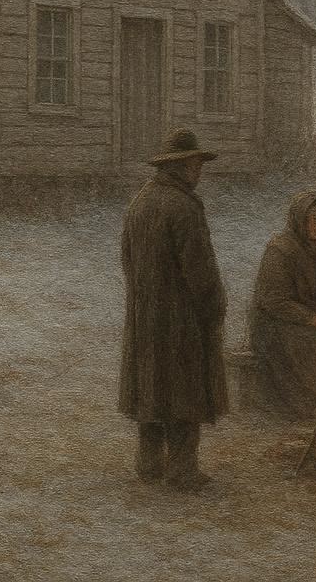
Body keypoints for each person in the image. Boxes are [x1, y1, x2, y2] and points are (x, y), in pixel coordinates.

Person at [117, 129, 228, 492]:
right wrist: (213, 308)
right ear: (180, 166)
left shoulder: (139, 202)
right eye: (195, 164)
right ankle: (182, 470)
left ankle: (149, 464)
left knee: (151, 390)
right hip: (182, 319)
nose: (199, 171)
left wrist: (144, 298)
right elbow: (200, 271)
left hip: (145, 316)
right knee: (184, 392)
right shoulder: (184, 207)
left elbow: (127, 260)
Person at [249, 191, 316, 420]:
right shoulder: (280, 250)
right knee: (307, 340)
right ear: (300, 219)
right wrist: (312, 319)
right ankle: (307, 404)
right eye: (315, 220)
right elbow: (273, 301)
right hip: (277, 321)